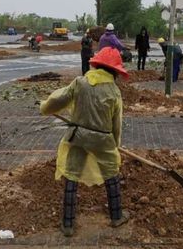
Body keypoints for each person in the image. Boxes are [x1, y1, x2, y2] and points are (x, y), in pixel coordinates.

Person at [40, 47, 129, 237]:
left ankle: (68, 225)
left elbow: (59, 99)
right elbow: (117, 123)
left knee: (72, 175)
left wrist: (45, 107)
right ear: (114, 71)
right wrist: (115, 144)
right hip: (103, 139)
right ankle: (116, 217)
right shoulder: (114, 91)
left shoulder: (80, 83)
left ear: (96, 65)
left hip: (78, 135)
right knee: (111, 174)